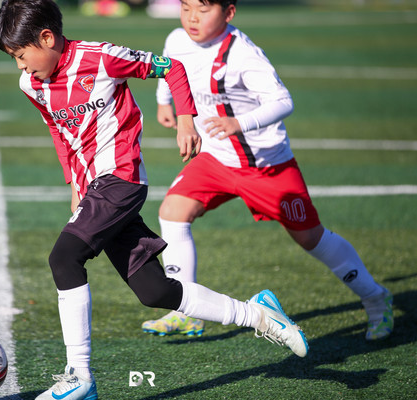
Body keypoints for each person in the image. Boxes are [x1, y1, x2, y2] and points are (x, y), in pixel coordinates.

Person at [0, 1, 309, 399]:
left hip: (121, 179)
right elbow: (61, 134)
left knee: (64, 257)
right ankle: (259, 314)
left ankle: (80, 376)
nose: (20, 67)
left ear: (47, 38)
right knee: (155, 292)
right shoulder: (31, 85)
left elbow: (171, 68)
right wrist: (72, 182)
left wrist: (185, 118)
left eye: (21, 56)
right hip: (94, 187)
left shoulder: (103, 57)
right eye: (13, 59)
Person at [142, 0, 393, 342]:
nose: (192, 17)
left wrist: (238, 123)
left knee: (310, 238)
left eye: (203, 9)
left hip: (266, 166)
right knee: (173, 212)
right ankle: (186, 313)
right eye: (186, 7)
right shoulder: (177, 38)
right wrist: (163, 100)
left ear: (228, 13)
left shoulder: (243, 54)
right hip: (215, 159)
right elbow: (169, 66)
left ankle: (377, 298)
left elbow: (283, 101)